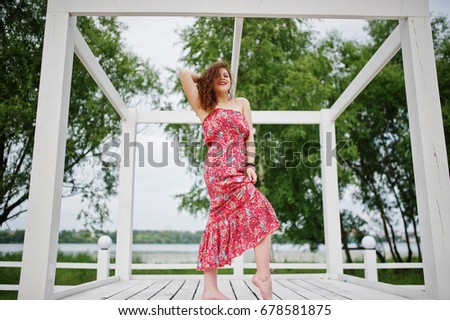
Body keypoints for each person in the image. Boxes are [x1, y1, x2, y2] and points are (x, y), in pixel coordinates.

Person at [179, 61, 280, 300]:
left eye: (226, 75)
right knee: (246, 215)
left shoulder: (242, 103)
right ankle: (254, 277)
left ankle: (212, 289)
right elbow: (184, 74)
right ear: (210, 81)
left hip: (239, 170)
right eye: (218, 76)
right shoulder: (204, 106)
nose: (224, 78)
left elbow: (250, 139)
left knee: (255, 214)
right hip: (218, 172)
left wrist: (250, 165)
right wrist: (205, 77)